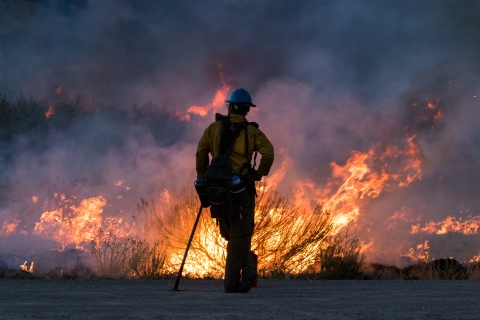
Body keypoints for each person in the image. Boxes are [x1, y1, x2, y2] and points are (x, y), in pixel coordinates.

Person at [196, 88, 274, 293]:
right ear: (247, 110)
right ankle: (232, 283)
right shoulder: (252, 132)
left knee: (233, 233)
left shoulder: (212, 129)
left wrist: (203, 178)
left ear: (229, 106)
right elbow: (269, 153)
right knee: (241, 234)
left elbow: (201, 153)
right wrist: (258, 174)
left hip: (217, 191)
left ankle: (248, 272)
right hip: (241, 192)